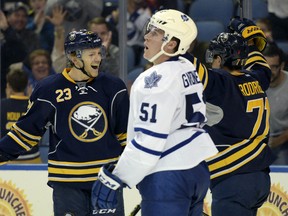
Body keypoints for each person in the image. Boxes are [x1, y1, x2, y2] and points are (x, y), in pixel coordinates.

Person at [91, 9, 218, 216]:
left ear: (171, 44)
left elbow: (149, 141)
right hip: (197, 170)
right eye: (149, 30)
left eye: (156, 33)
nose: (147, 36)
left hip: (167, 176)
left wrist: (117, 177)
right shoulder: (187, 67)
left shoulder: (154, 80)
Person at [0, 29, 129, 216]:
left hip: (106, 180)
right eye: (91, 54)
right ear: (74, 58)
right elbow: (25, 134)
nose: (98, 59)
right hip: (67, 183)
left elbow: (125, 135)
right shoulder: (48, 90)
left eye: (99, 53)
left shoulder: (114, 87)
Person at [193, 17, 275, 216]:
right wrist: (251, 38)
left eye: (214, 57)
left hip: (234, 176)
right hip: (259, 177)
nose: (211, 62)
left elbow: (187, 65)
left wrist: (171, 39)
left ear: (220, 58)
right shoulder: (256, 78)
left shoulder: (220, 82)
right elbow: (261, 65)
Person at [1, 68, 42, 163]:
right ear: (27, 86)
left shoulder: (2, 105)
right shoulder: (35, 105)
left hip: (8, 159)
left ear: (8, 86)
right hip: (32, 158)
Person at [263, 43, 288, 165]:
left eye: (273, 67)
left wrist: (276, 142)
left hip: (282, 141)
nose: (269, 71)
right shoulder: (252, 82)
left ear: (282, 66)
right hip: (255, 141)